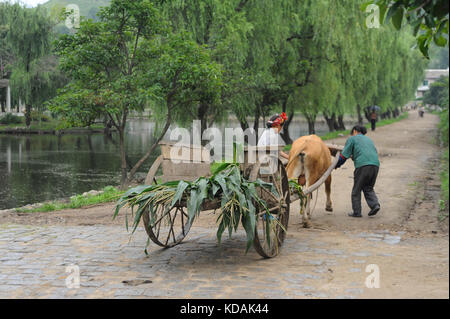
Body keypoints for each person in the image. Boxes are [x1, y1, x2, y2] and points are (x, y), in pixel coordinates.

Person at [335, 125, 381, 218]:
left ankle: (357, 212)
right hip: (375, 165)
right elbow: (369, 152)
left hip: (362, 166)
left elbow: (343, 156)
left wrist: (336, 165)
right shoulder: (369, 140)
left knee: (356, 190)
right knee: (368, 187)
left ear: (355, 131)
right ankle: (375, 205)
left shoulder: (352, 139)